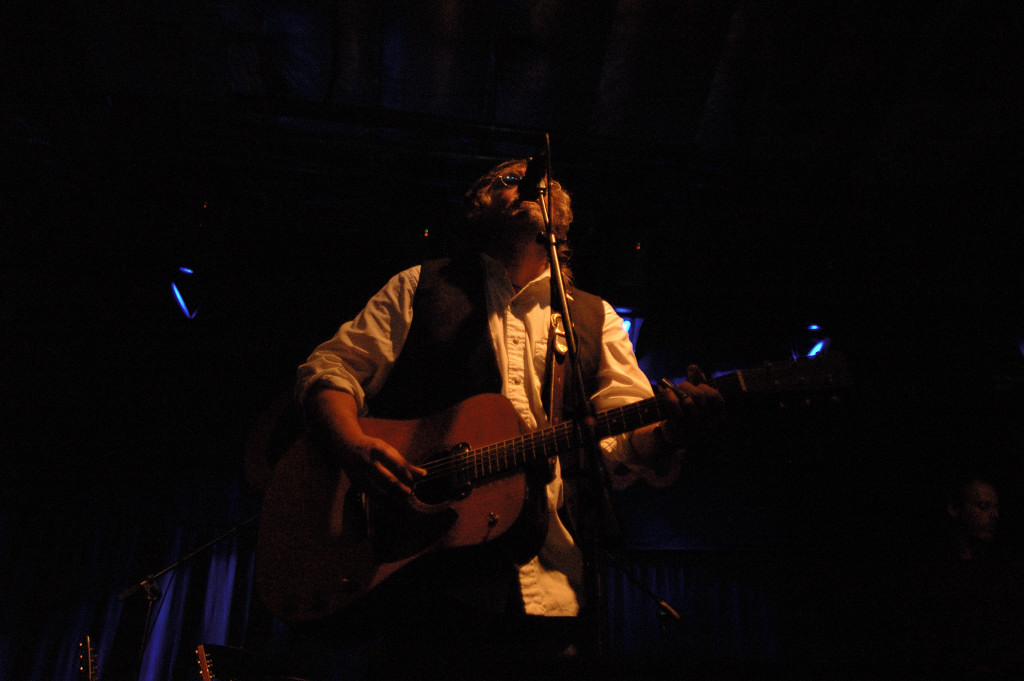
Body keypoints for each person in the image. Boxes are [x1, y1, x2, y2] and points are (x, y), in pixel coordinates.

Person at [291, 158, 722, 680]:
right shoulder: (421, 286)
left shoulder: (595, 317)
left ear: (563, 218)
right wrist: (351, 444)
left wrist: (671, 432)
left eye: (545, 183)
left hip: (553, 593)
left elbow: (622, 449)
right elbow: (330, 369)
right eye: (513, 179)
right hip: (428, 588)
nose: (532, 185)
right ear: (479, 205)